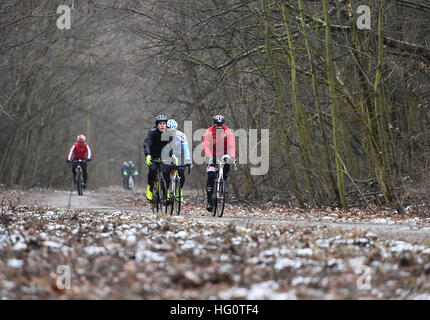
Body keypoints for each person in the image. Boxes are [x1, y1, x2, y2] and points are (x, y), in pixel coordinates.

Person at [202, 115, 236, 211]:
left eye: (221, 125)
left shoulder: (227, 132)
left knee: (226, 168)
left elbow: (232, 145)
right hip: (211, 154)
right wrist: (209, 155)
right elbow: (206, 145)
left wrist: (232, 156)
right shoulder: (209, 132)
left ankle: (223, 181)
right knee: (211, 174)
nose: (219, 127)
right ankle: (209, 201)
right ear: (214, 124)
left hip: (223, 154)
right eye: (218, 125)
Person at [161, 119, 192, 202]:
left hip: (178, 156)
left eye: (173, 131)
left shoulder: (181, 135)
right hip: (166, 156)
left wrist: (188, 159)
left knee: (181, 173)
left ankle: (179, 191)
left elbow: (186, 148)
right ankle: (166, 192)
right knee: (165, 174)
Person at [143, 115, 170, 201]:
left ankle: (166, 192)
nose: (162, 125)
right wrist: (148, 155)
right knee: (153, 170)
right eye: (160, 124)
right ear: (157, 125)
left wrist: (173, 155)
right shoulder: (152, 132)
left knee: (165, 172)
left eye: (164, 123)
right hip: (153, 155)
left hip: (165, 156)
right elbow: (147, 143)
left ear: (166, 125)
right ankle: (150, 189)